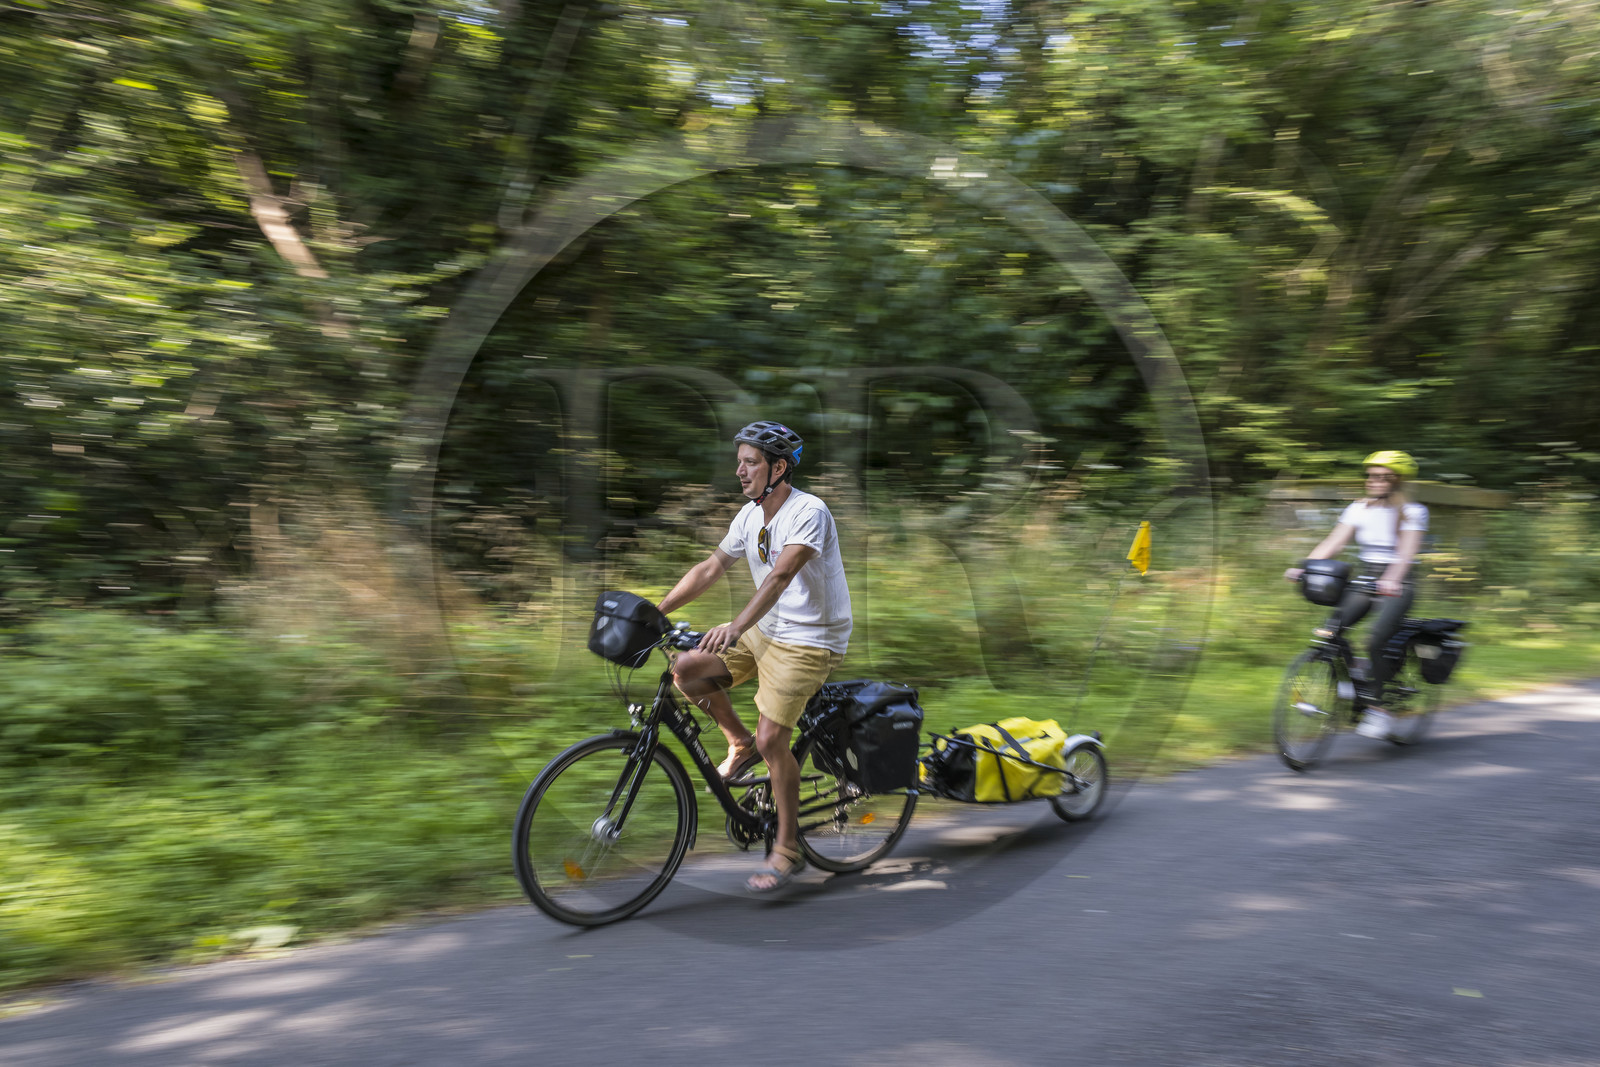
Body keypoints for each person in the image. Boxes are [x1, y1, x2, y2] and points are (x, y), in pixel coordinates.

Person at [656, 421, 851, 892]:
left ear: (778, 467)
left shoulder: (810, 511)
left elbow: (781, 576)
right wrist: (655, 610)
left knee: (773, 741)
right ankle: (737, 743)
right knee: (686, 669)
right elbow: (710, 567)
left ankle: (787, 846)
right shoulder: (748, 515)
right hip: (767, 630)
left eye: (750, 462)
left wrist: (736, 625)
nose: (739, 471)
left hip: (809, 638)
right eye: (739, 461)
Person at [1284, 450, 1427, 740]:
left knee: (1376, 639)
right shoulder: (1358, 508)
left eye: (1382, 477)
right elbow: (1333, 543)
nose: (1373, 481)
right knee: (1331, 630)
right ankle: (1360, 677)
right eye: (1371, 476)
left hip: (1399, 582)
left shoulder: (1413, 511)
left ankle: (1380, 709)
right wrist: (1306, 568)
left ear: (1398, 481)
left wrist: (1392, 579)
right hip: (1366, 578)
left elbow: (1406, 554)